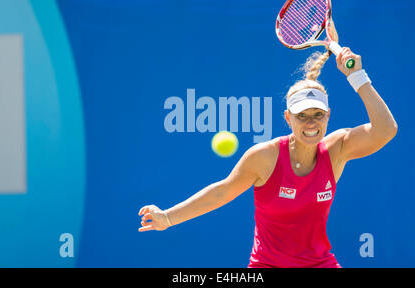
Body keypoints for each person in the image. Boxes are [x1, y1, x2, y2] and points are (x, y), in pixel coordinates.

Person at [138, 47, 398, 268]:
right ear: (288, 118)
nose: (311, 123)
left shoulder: (337, 148)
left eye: (318, 115)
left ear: (328, 115)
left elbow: (386, 130)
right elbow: (222, 192)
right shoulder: (265, 156)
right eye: (301, 116)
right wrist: (168, 218)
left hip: (321, 263)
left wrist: (358, 77)